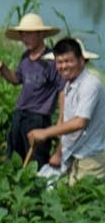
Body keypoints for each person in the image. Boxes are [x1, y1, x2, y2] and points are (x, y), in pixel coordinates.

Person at [28, 37, 105, 183]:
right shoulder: (69, 85)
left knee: (82, 200)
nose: (63, 66)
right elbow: (68, 124)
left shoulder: (90, 85)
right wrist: (58, 153)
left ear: (82, 61)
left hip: (91, 158)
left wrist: (45, 132)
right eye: (59, 62)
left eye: (68, 61)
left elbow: (79, 122)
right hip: (73, 154)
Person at [0, 12, 61, 161]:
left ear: (41, 34)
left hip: (38, 118)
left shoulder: (50, 61)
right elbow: (17, 79)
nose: (25, 39)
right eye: (23, 35)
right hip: (20, 114)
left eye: (29, 34)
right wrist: (3, 68)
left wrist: (61, 119)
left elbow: (62, 89)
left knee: (36, 159)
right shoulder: (25, 57)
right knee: (14, 156)